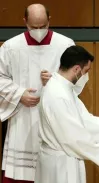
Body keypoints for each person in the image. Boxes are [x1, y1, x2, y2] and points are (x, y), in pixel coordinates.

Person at [34, 45, 99, 183]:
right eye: (86, 71)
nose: (86, 76)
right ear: (77, 69)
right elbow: (71, 137)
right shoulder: (57, 94)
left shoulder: (64, 89)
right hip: (59, 166)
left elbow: (85, 119)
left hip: (65, 159)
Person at [0, 3, 75, 183]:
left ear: (50, 20)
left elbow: (79, 78)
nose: (39, 31)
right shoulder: (11, 47)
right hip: (23, 118)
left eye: (43, 26)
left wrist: (57, 82)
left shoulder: (65, 45)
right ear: (24, 21)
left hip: (54, 120)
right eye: (34, 27)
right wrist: (18, 94)